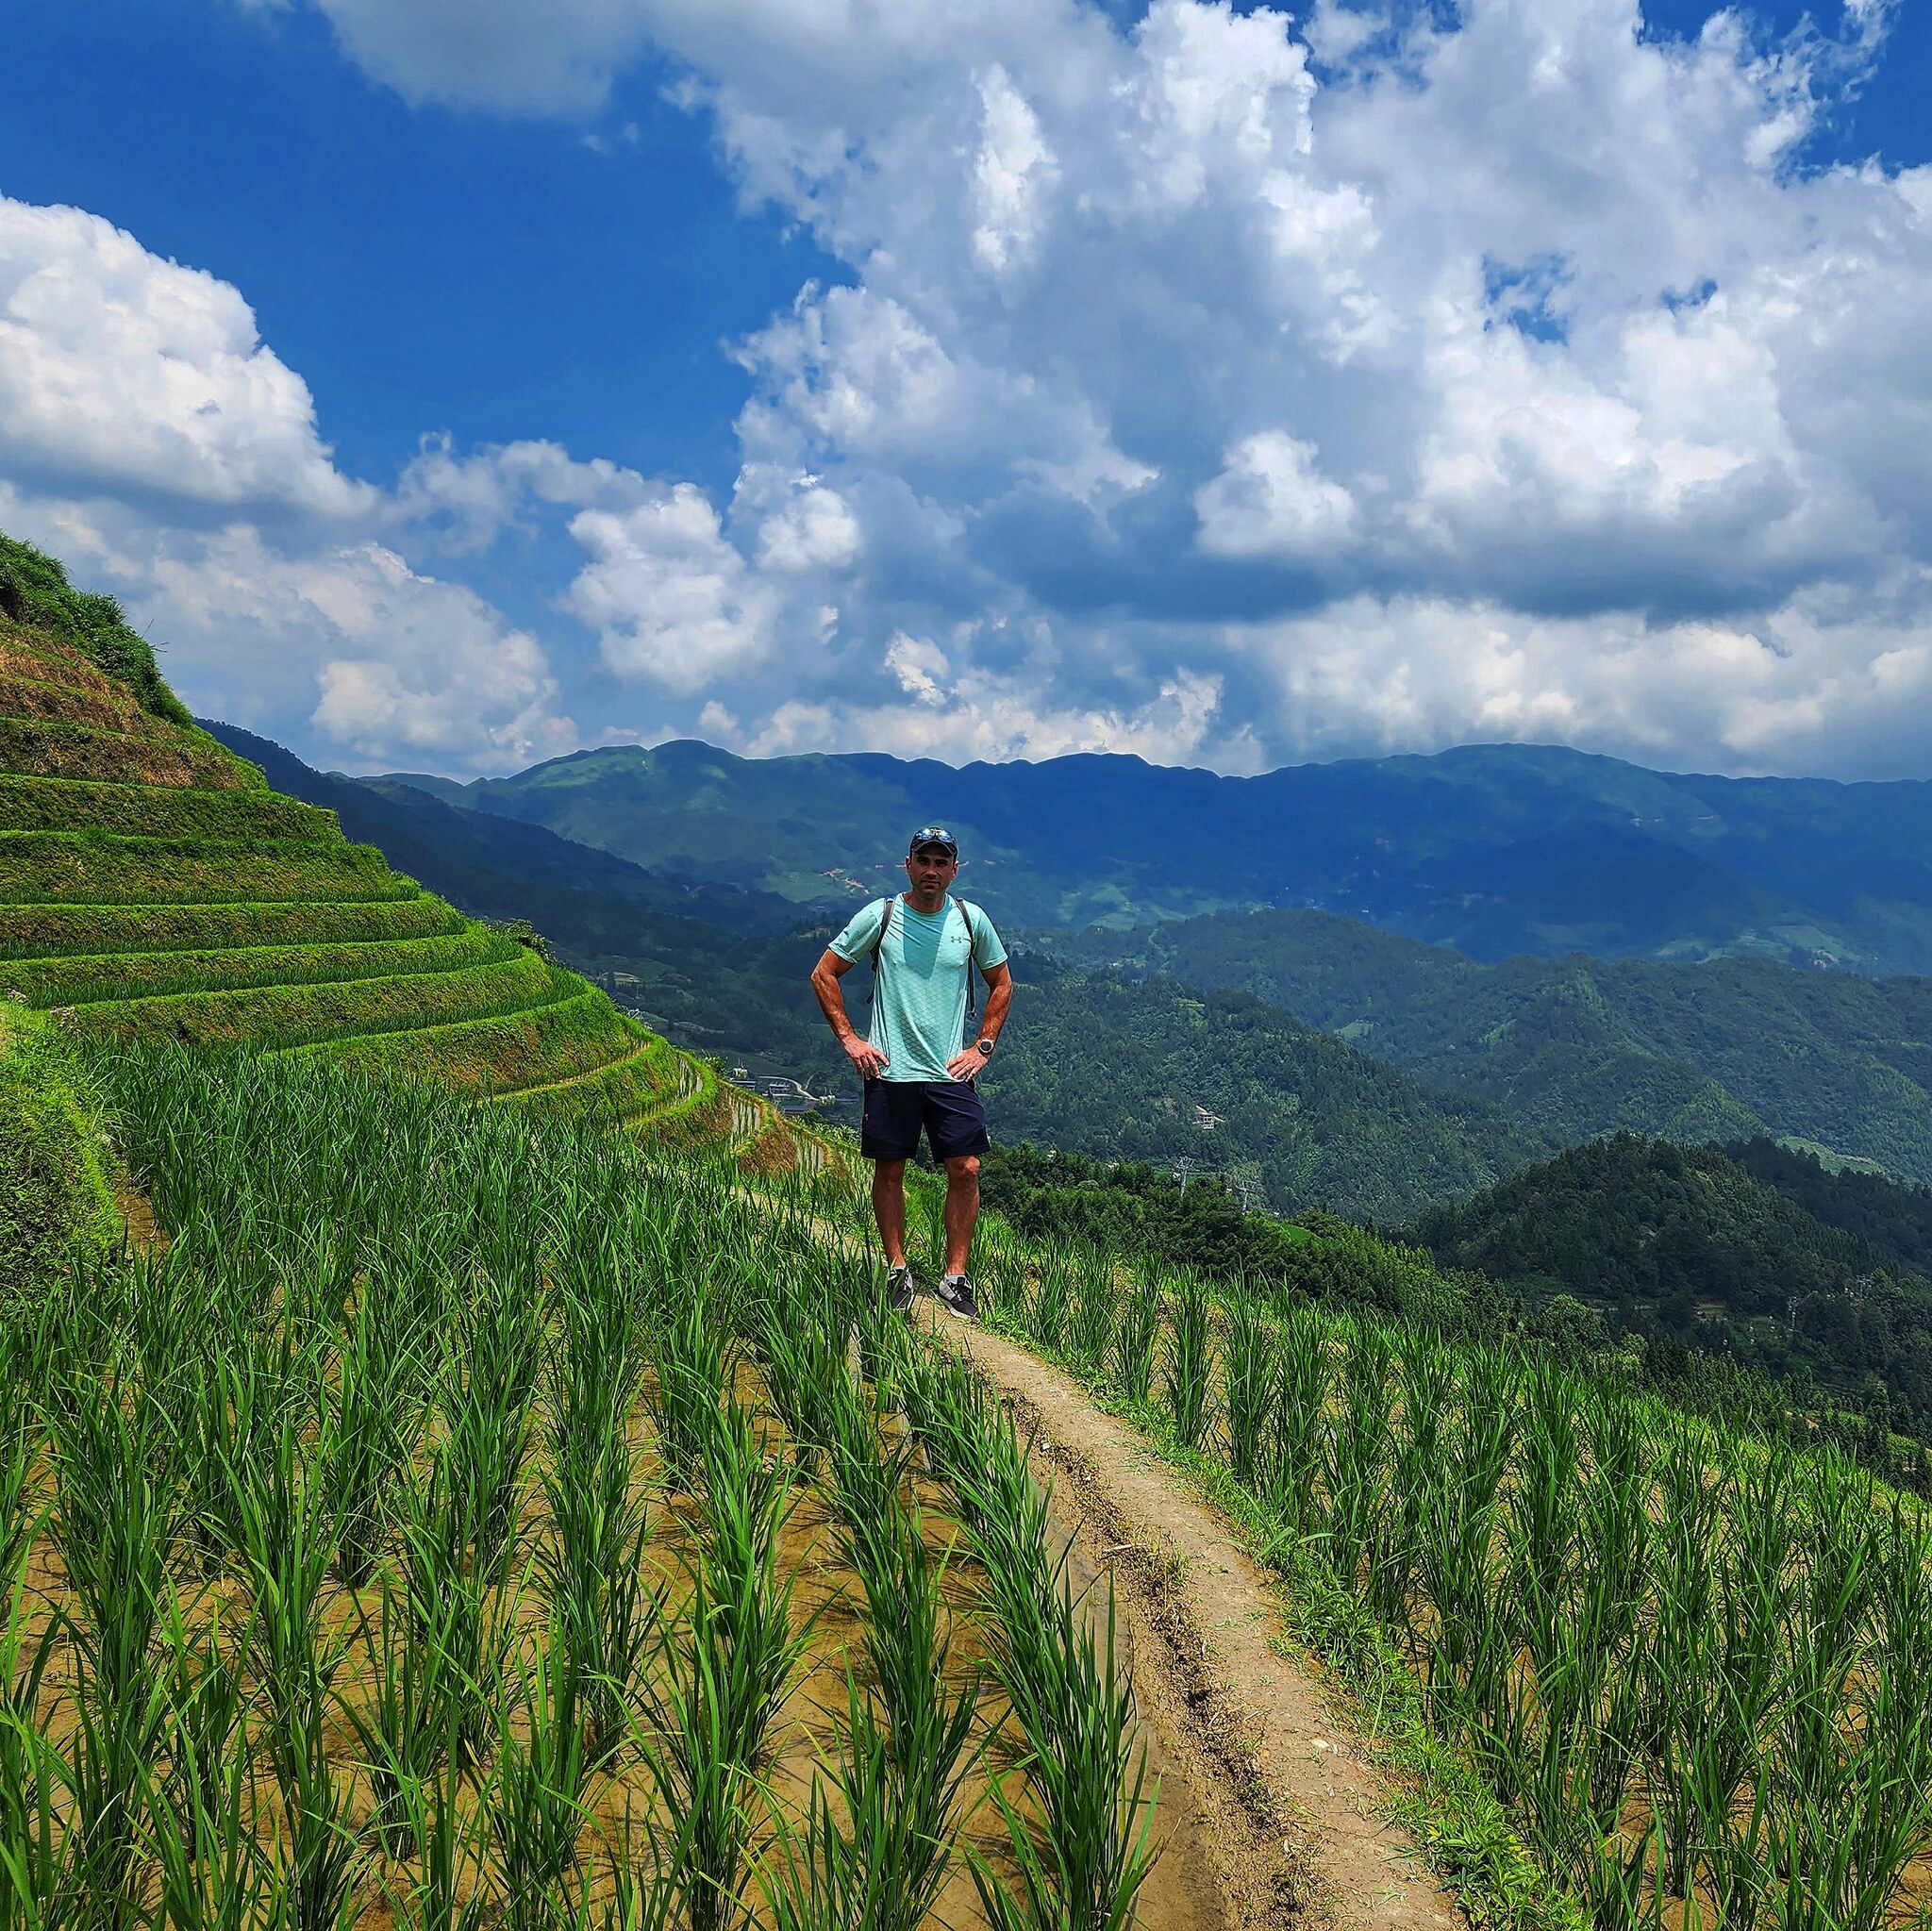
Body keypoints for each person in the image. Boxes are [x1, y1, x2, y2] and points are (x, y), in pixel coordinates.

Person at [809, 826, 1012, 1318]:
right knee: (891, 1169)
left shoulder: (971, 919)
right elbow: (824, 973)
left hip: (950, 1073)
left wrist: (982, 1046)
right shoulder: (880, 915)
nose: (932, 871)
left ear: (953, 871)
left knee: (966, 1169)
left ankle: (955, 1277)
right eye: (924, 861)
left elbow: (1002, 983)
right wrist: (850, 1039)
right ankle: (897, 1269)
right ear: (908, 864)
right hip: (890, 1071)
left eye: (941, 863)